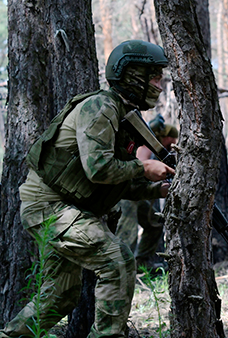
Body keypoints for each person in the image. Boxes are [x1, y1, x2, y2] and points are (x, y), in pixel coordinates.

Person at [0, 40, 175, 338]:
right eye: (154, 76)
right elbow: (99, 170)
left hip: (68, 206)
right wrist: (143, 168)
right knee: (115, 259)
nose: (159, 84)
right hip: (50, 204)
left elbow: (118, 181)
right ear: (133, 74)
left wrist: (155, 190)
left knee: (60, 296)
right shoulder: (101, 107)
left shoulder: (124, 114)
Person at [116, 114, 179, 273]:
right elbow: (139, 167)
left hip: (140, 192)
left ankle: (141, 264)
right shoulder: (146, 146)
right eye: (171, 142)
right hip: (127, 193)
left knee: (155, 224)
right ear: (165, 138)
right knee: (127, 232)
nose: (172, 146)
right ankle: (123, 271)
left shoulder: (156, 149)